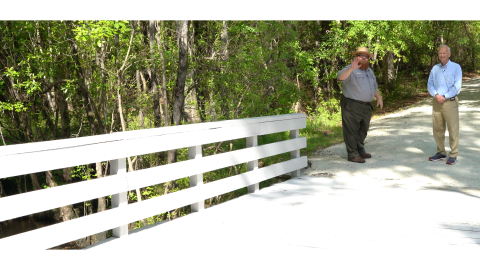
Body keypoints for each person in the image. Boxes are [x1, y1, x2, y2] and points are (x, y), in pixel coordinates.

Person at [337, 47, 383, 163]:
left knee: (364, 129)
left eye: (366, 56)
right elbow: (340, 78)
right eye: (361, 55)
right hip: (352, 105)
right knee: (351, 130)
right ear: (356, 57)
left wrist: (379, 97)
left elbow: (374, 88)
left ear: (368, 59)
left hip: (366, 106)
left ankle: (360, 149)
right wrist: (352, 68)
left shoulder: (369, 71)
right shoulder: (349, 69)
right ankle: (353, 154)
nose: (363, 58)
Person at [427, 45, 462, 165]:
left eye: (444, 53)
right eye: (440, 53)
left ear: (449, 54)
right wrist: (436, 95)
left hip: (450, 102)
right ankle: (441, 152)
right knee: (438, 128)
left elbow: (457, 86)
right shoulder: (435, 68)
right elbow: (430, 84)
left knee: (453, 129)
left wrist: (444, 96)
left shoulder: (456, 67)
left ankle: (453, 154)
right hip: (437, 102)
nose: (441, 55)